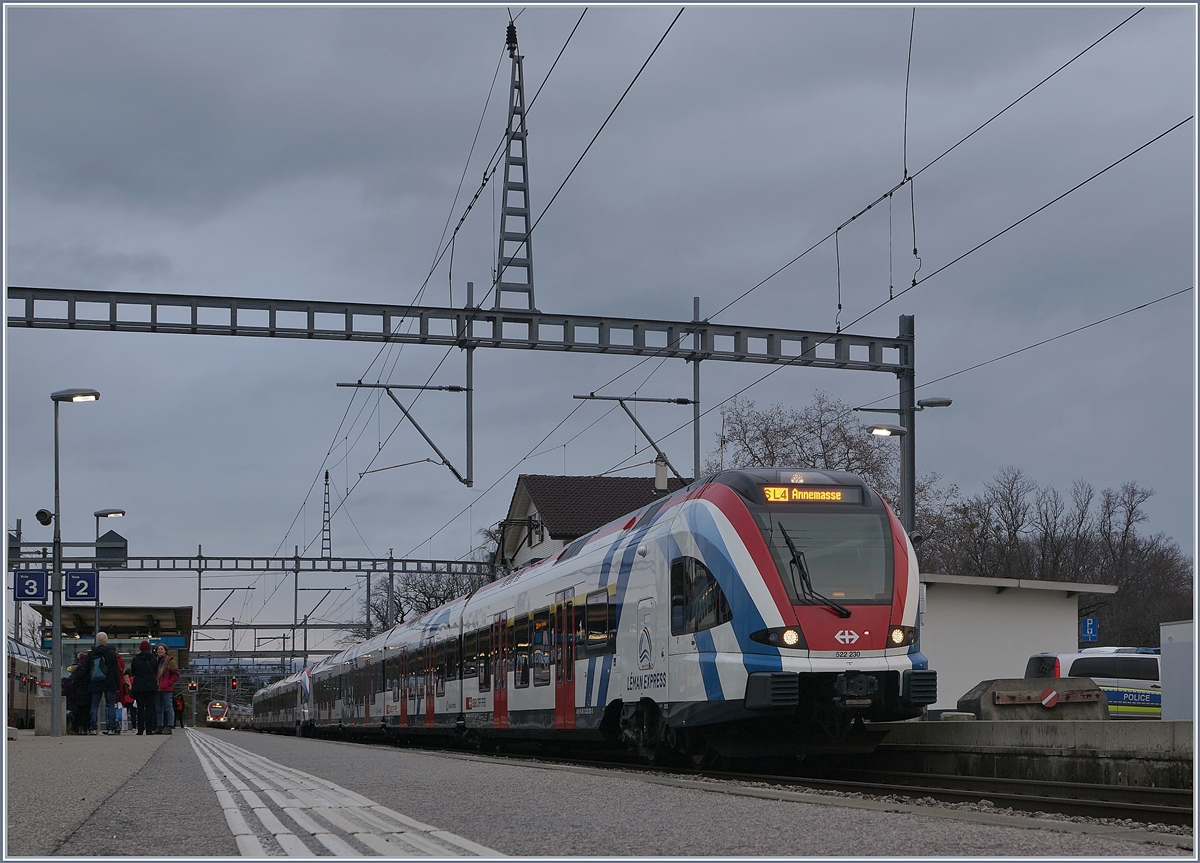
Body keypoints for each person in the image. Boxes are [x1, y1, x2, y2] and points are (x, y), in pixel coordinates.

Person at [85, 632, 120, 735]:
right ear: (106, 640)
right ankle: (111, 728)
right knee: (110, 705)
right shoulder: (111, 653)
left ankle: (93, 728)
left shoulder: (92, 653)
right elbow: (115, 670)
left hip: (95, 681)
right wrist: (117, 685)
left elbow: (87, 669)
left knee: (94, 704)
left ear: (97, 640)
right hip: (109, 682)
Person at [129, 640, 158, 736]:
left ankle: (140, 729)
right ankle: (149, 729)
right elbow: (156, 670)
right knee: (149, 708)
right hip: (150, 685)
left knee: (140, 708)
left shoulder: (136, 659)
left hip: (139, 685)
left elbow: (133, 671)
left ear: (140, 648)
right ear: (149, 648)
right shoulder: (153, 659)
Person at [154, 644, 179, 734]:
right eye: (158, 649)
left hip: (166, 688)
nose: (159, 651)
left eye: (161, 649)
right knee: (158, 708)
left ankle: (169, 725)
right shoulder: (155, 661)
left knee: (168, 707)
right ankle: (159, 726)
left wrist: (168, 683)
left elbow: (175, 674)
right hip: (157, 688)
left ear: (165, 651)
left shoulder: (171, 662)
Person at [72, 653, 92, 735]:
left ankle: (79, 728)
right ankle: (85, 728)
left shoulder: (77, 672)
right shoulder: (88, 671)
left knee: (79, 712)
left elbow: (74, 685)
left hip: (78, 695)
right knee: (86, 713)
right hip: (87, 695)